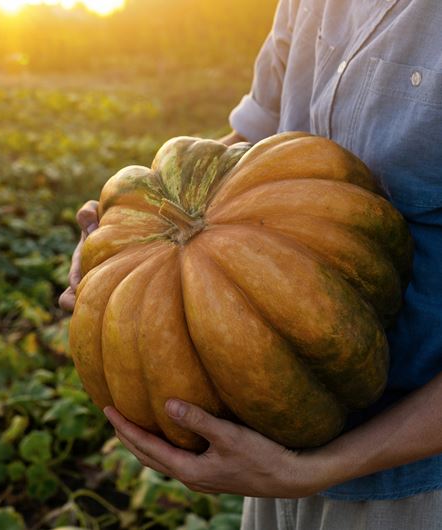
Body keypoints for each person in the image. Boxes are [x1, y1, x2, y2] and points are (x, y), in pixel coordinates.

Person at [60, 0, 442, 528]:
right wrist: (124, 227)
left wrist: (322, 468)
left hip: (417, 480)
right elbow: (252, 144)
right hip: (267, 458)